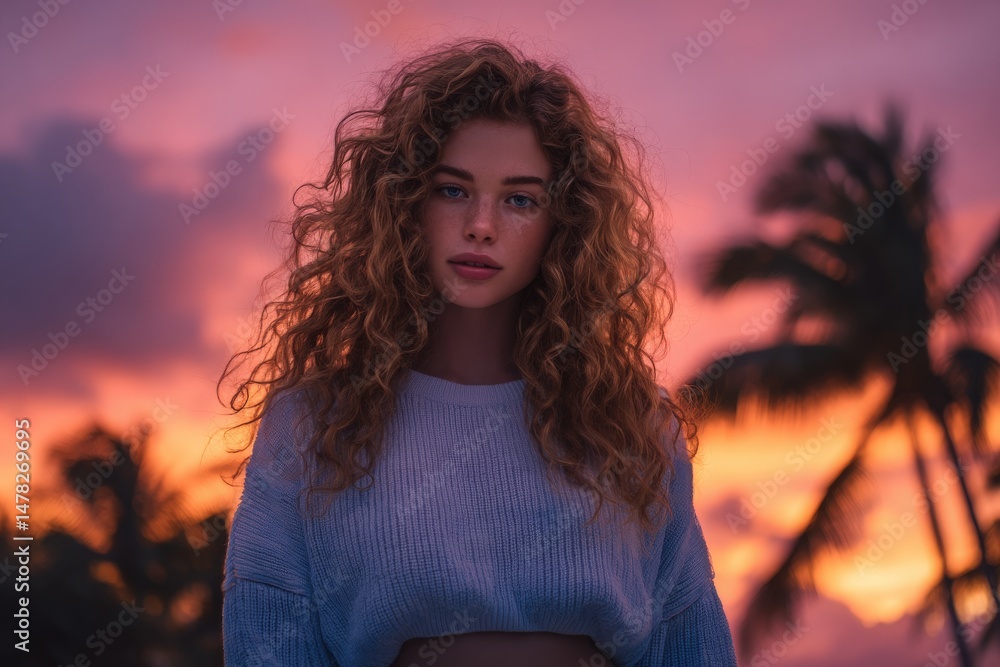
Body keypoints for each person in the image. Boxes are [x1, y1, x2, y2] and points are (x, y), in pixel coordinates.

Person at [219, 35, 738, 667]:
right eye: (452, 190)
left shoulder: (633, 426)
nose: (482, 225)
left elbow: (690, 647)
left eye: (520, 199)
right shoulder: (313, 425)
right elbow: (271, 648)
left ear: (563, 224)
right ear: (404, 202)